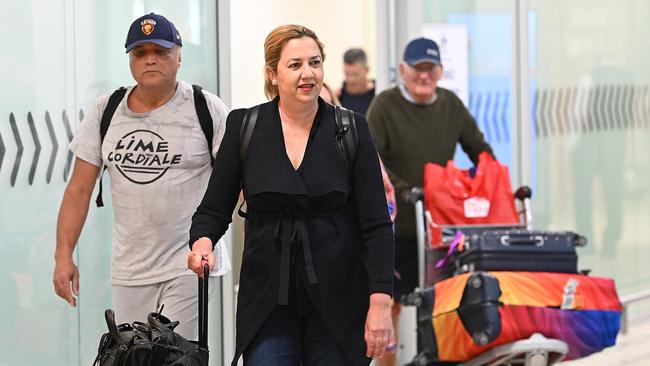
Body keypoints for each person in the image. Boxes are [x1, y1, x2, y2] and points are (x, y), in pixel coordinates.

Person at [187, 24, 395, 366]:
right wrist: (202, 242)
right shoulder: (245, 127)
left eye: (315, 62)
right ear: (273, 73)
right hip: (268, 296)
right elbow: (214, 208)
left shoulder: (353, 129)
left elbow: (376, 225)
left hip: (340, 295)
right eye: (295, 64)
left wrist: (380, 303)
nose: (307, 73)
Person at [52, 12, 230, 339]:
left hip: (188, 265)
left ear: (179, 57)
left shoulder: (206, 108)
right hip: (129, 270)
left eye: (160, 52)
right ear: (130, 60)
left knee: (175, 357)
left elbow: (235, 182)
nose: (150, 60)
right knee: (133, 358)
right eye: (140, 53)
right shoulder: (107, 110)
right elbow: (78, 189)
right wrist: (63, 255)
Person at [366, 37, 493, 366]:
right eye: (418, 69)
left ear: (440, 71)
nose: (424, 76)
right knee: (390, 304)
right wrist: (404, 189)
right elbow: (371, 159)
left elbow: (478, 147)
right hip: (398, 226)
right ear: (403, 71)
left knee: (443, 302)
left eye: (431, 69)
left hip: (442, 228)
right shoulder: (384, 106)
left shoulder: (450, 104)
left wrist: (491, 180)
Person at [338, 47, 376, 115]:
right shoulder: (338, 97)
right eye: (347, 74)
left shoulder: (377, 94)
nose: (351, 80)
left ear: (366, 70)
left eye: (355, 75)